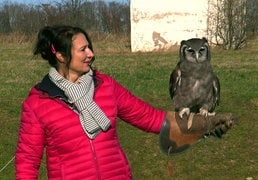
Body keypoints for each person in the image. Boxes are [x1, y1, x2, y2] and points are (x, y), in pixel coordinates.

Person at [15, 25, 234, 179]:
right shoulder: (38, 103)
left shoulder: (106, 86)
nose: (91, 53)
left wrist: (199, 124)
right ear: (61, 56)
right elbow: (27, 163)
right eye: (83, 50)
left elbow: (150, 118)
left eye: (89, 47)